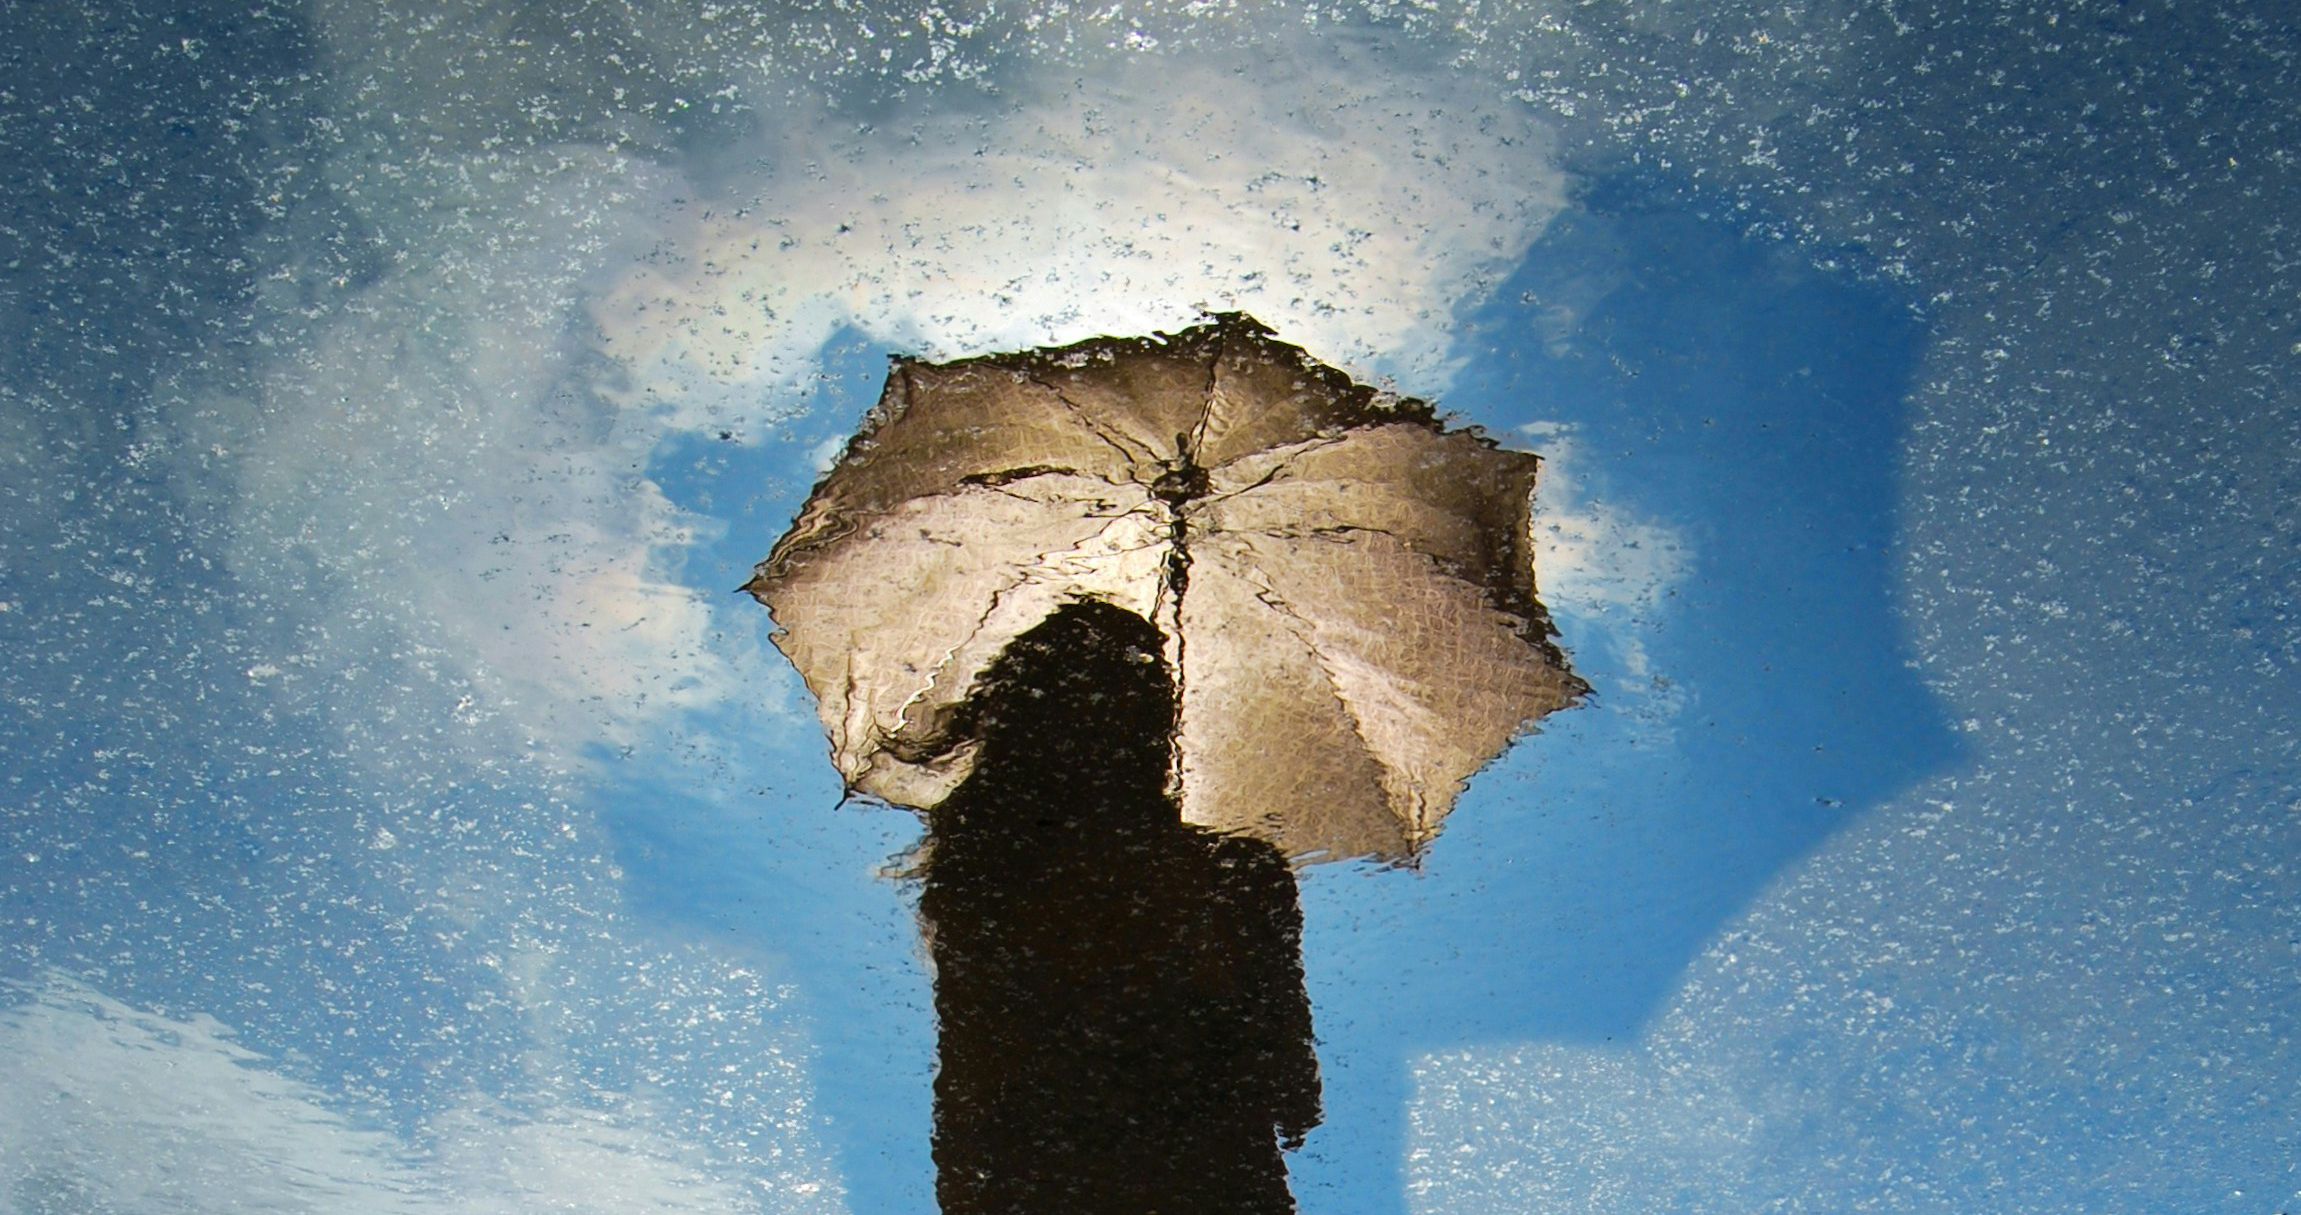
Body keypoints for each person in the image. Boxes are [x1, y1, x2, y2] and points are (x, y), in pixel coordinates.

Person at [920, 599, 1322, 1214]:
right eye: (1148, 694)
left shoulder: (981, 877)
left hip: (1041, 1184)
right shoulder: (1238, 875)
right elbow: (1293, 1097)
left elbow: (968, 1092)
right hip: (1207, 1181)